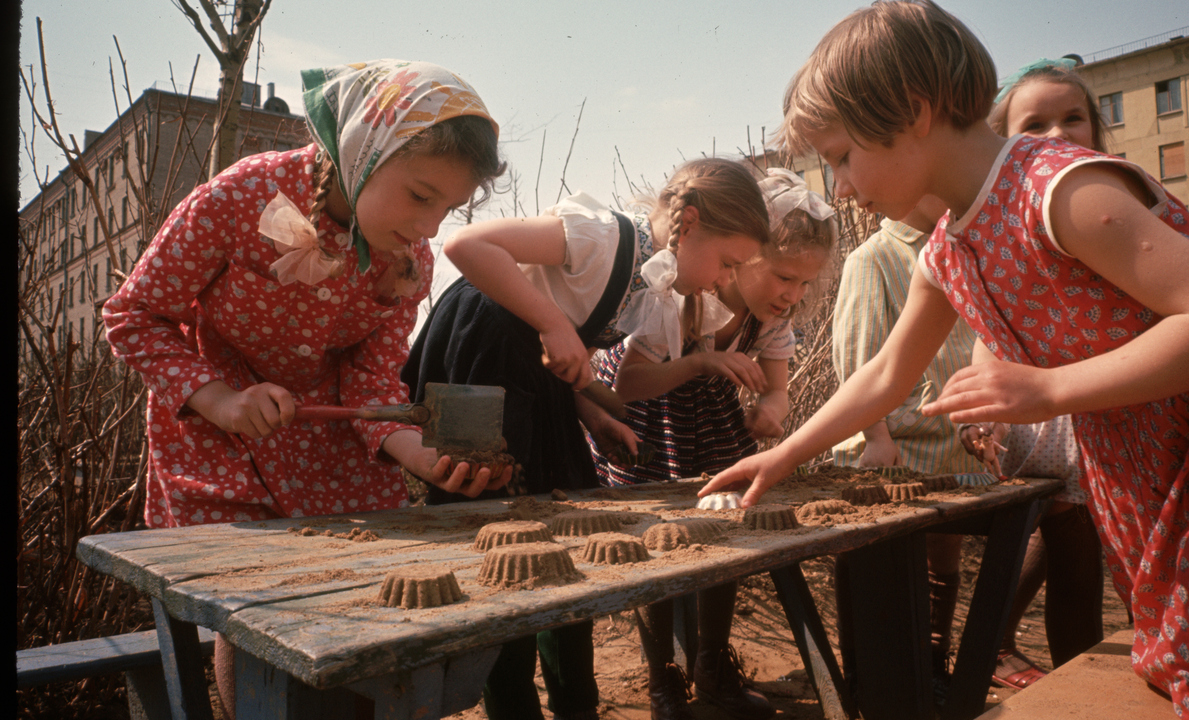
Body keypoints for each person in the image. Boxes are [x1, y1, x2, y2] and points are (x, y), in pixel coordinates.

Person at [700, 3, 1189, 718]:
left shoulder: (1057, 190)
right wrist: (782, 458)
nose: (838, 184)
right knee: (1183, 675)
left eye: (840, 156)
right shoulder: (951, 247)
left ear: (913, 112)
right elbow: (886, 373)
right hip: (1137, 478)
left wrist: (1049, 389)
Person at [102, 60, 511, 717]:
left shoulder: (408, 260)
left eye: (449, 208)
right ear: (361, 153)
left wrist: (416, 454)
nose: (432, 227)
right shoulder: (240, 198)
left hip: (327, 446)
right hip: (219, 437)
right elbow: (133, 314)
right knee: (259, 608)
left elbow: (373, 378)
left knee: (360, 597)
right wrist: (218, 400)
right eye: (420, 195)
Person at [403, 157, 771, 720]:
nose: (725, 280)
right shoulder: (605, 237)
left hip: (535, 379)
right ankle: (512, 703)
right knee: (500, 537)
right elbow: (468, 244)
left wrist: (594, 415)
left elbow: (565, 355)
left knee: (566, 524)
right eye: (728, 263)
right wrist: (551, 324)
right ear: (690, 223)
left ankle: (576, 703)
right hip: (483, 356)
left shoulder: (650, 288)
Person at [590, 168, 835, 720]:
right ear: (744, 255)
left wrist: (769, 414)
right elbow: (627, 387)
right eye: (782, 277)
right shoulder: (677, 297)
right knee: (658, 545)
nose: (792, 295)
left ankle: (711, 668)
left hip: (714, 423)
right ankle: (663, 682)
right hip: (649, 422)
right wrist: (701, 361)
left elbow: (779, 391)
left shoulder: (772, 322)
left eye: (803, 283)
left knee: (726, 536)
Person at [963, 56, 1114, 688]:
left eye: (1072, 118)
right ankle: (1076, 680)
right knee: (1076, 557)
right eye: (1036, 124)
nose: (1058, 135)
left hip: (1105, 402)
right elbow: (987, 324)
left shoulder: (1105, 201)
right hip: (1051, 417)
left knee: (1061, 545)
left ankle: (990, 646)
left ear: (1097, 132)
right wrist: (982, 408)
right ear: (1006, 143)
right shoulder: (1013, 216)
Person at [829, 192, 986, 698]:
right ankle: (861, 675)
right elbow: (857, 356)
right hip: (892, 444)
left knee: (944, 554)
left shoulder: (960, 246)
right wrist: (876, 435)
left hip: (950, 437)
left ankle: (933, 661)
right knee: (877, 565)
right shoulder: (873, 258)